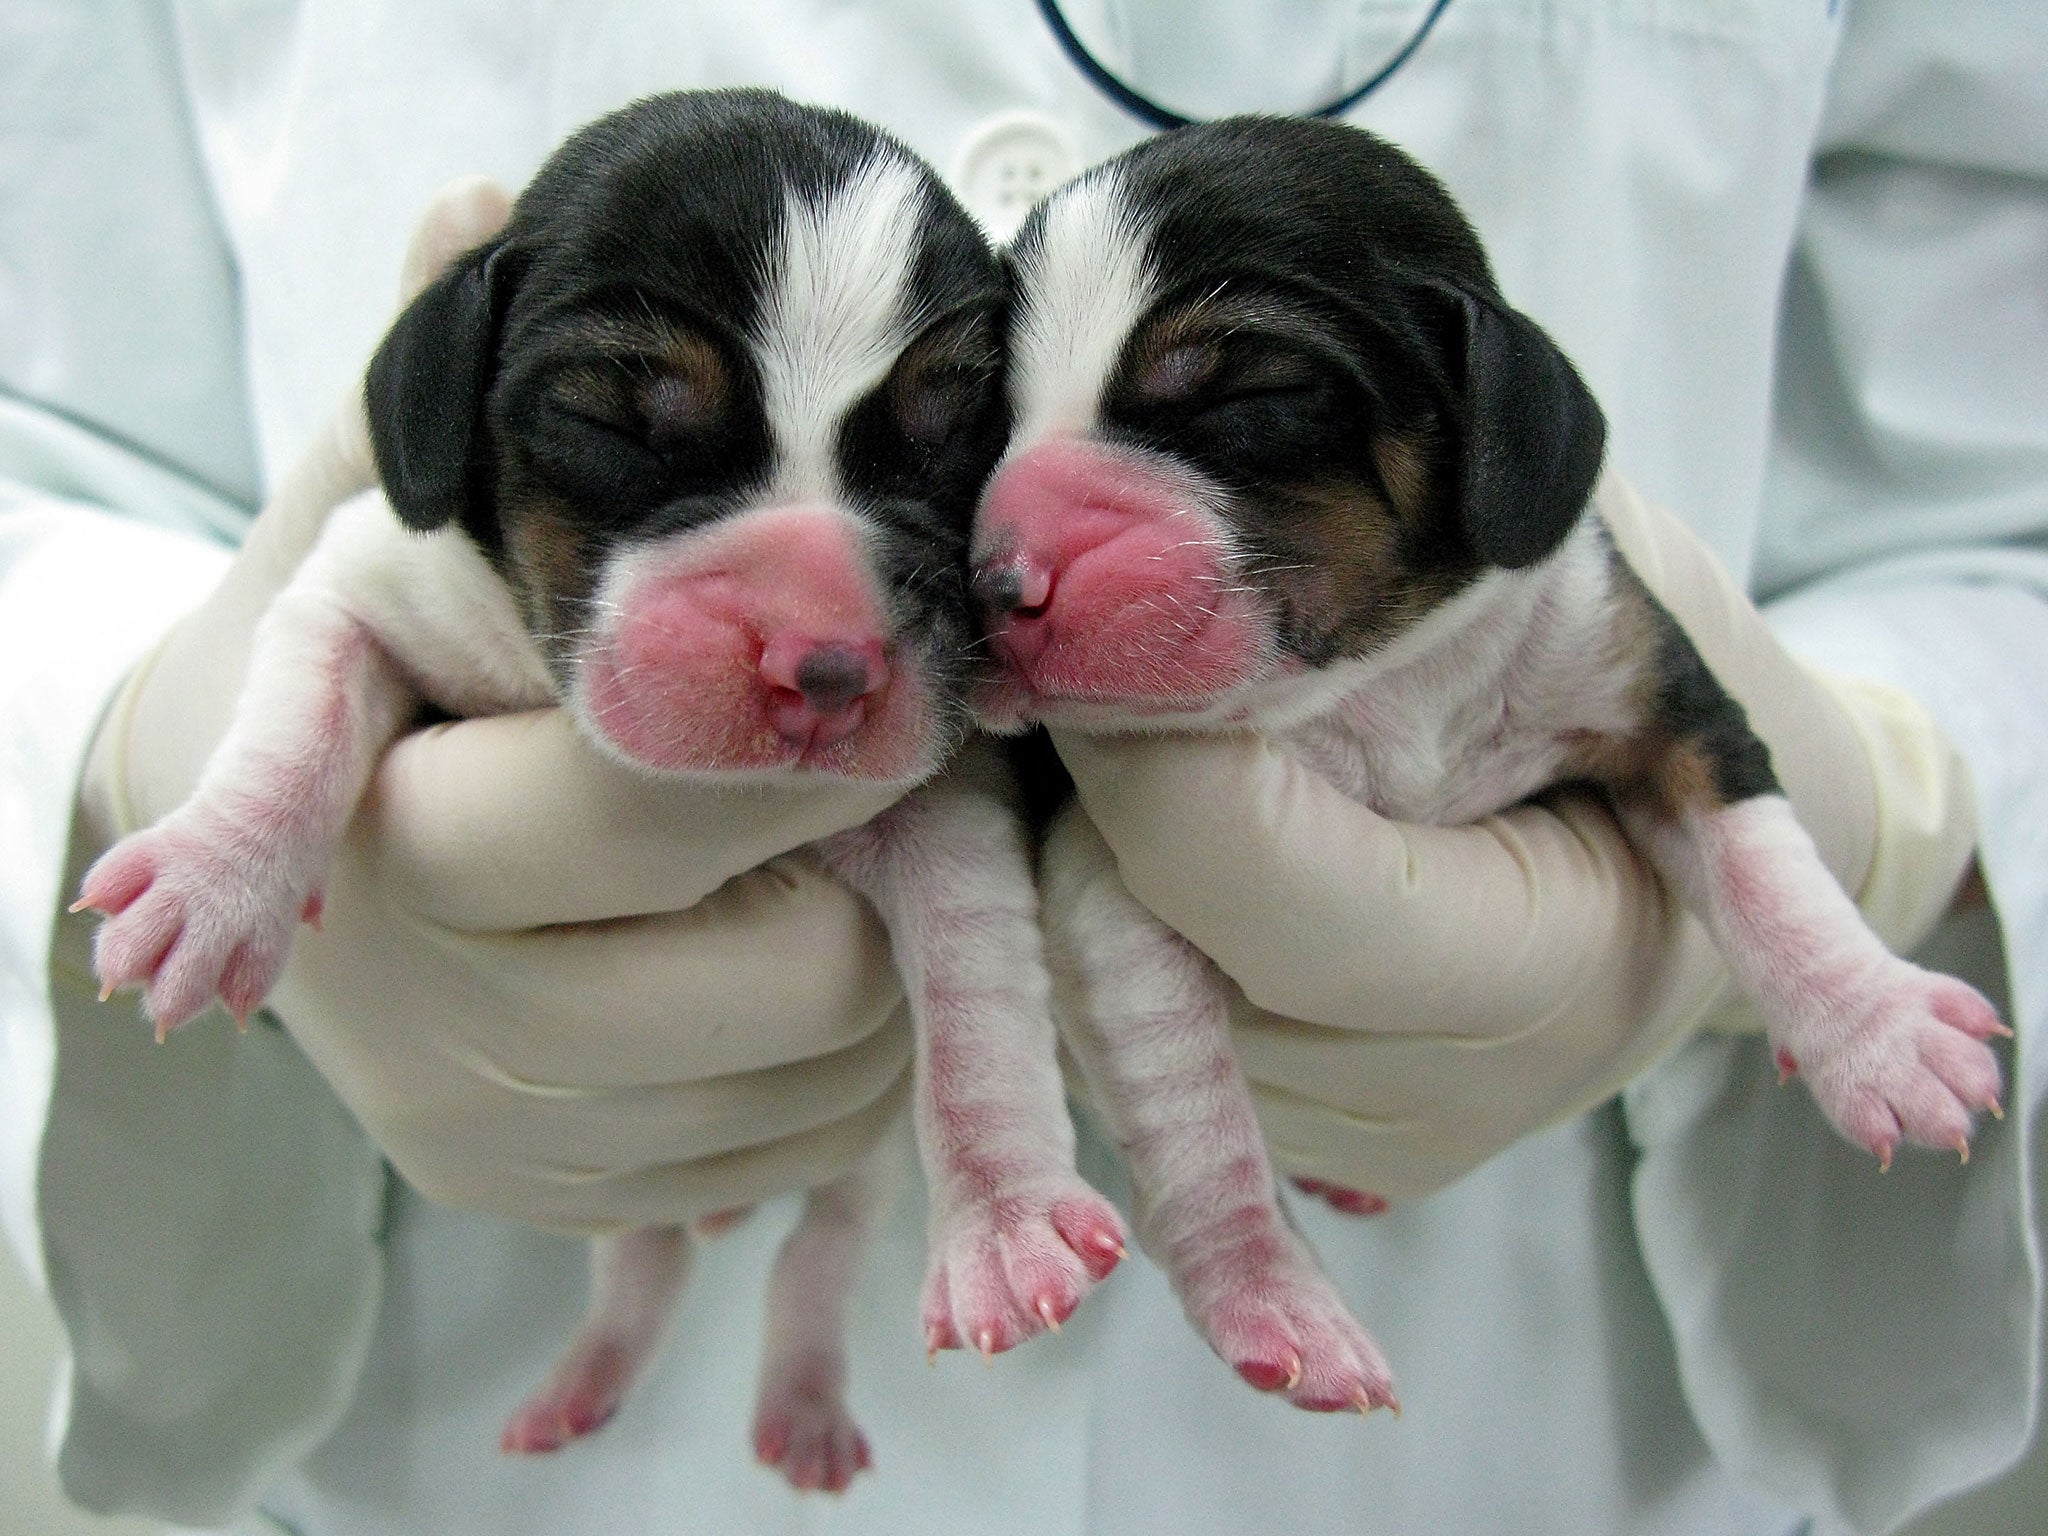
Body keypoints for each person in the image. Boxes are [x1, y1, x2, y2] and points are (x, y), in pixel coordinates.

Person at [2, 2, 2041, 1532]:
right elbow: (42, 427)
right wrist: (150, 751)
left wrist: (1883, 805)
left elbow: (2001, 476)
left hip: (1520, 1409)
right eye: (624, 418)